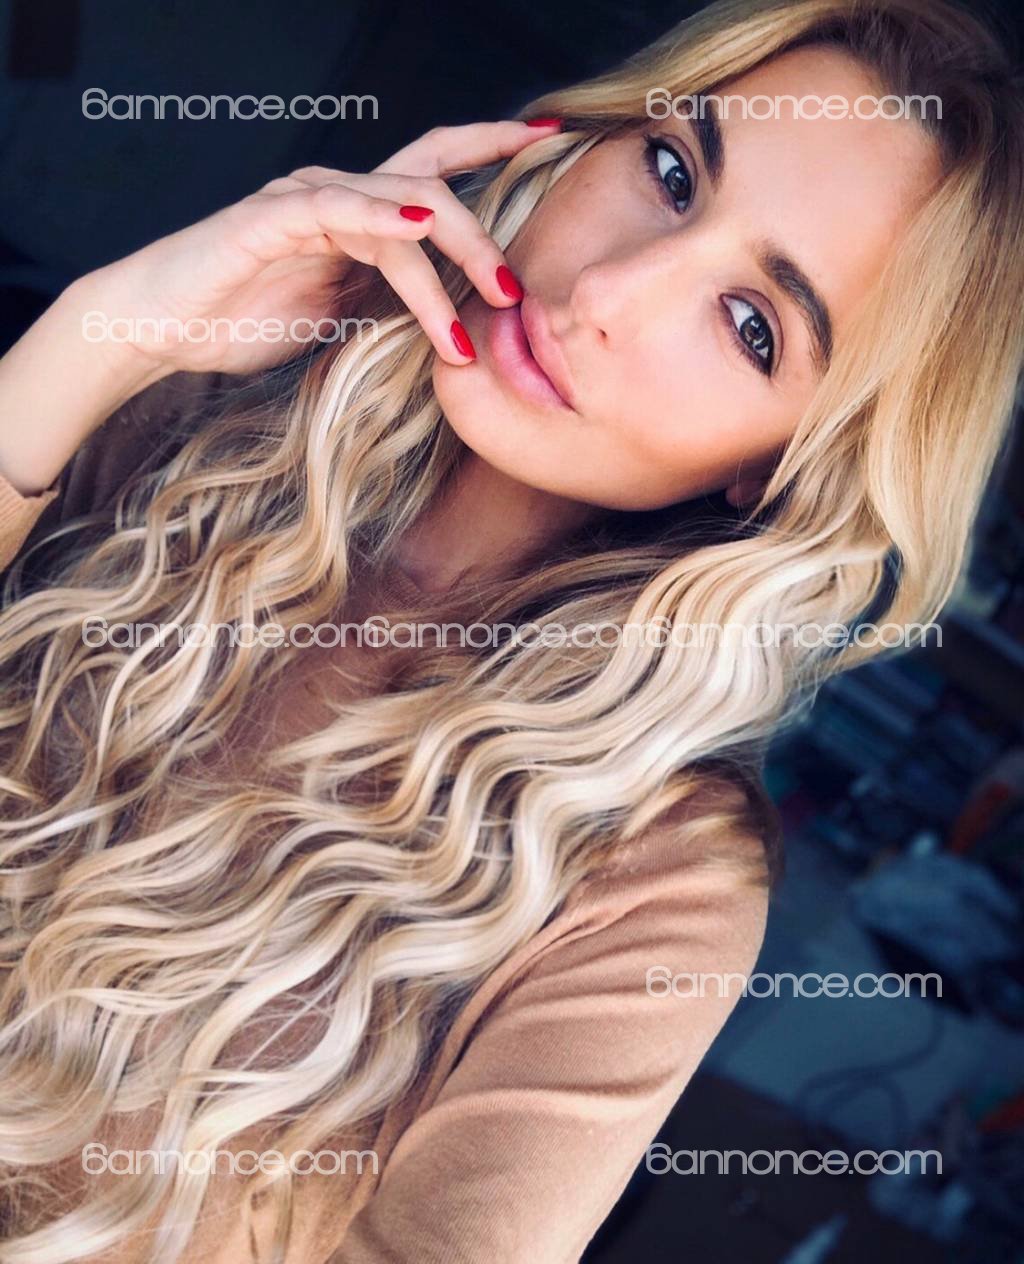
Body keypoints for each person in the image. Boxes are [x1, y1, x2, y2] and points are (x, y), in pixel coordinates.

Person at [0, 0, 1021, 1259]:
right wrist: (100, 331)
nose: (608, 292)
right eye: (670, 170)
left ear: (777, 467)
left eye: (752, 325)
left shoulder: (661, 883)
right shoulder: (197, 419)